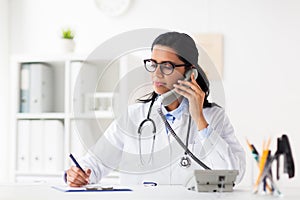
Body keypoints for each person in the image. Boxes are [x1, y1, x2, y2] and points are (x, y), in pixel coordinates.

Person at [66, 31, 246, 187]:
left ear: (190, 72)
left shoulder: (213, 117)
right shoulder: (134, 116)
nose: (157, 73)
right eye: (153, 64)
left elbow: (233, 175)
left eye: (167, 66)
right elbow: (94, 164)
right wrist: (76, 175)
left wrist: (199, 119)